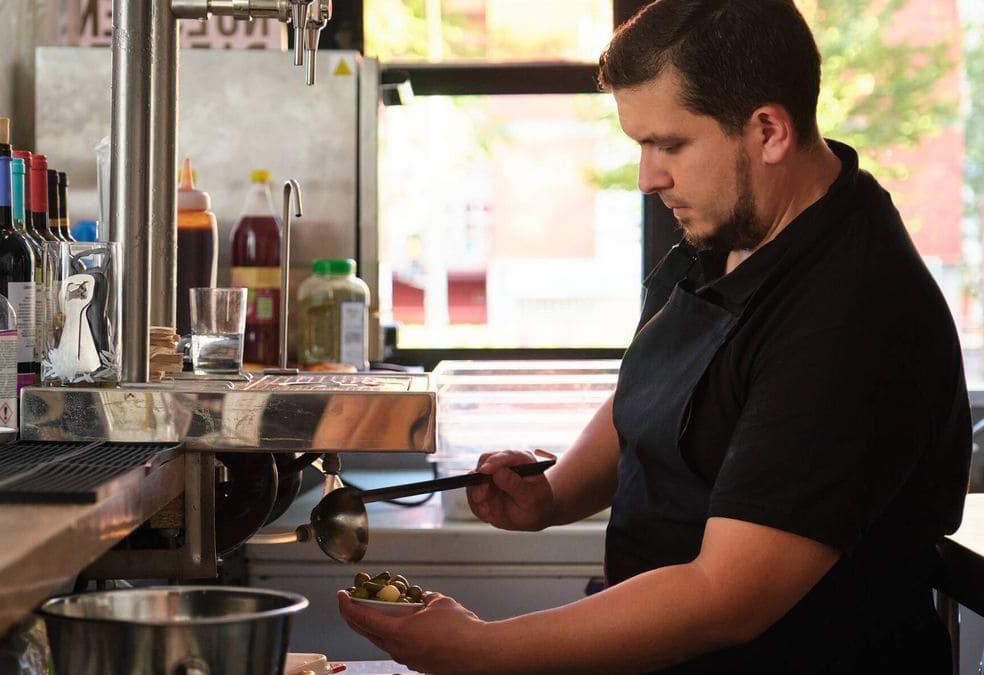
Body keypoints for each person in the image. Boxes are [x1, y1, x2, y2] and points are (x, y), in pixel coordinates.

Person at [337, 0, 972, 672]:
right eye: (641, 146)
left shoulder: (853, 315)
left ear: (769, 131)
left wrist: (481, 649)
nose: (647, 179)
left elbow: (725, 596)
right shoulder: (733, 231)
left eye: (669, 145)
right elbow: (658, 390)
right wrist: (554, 494)